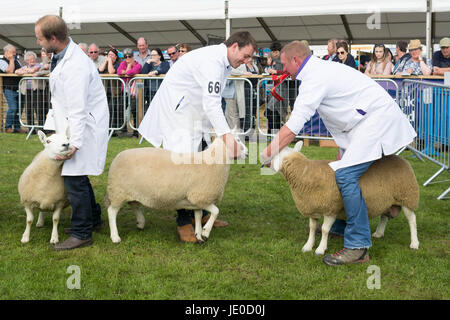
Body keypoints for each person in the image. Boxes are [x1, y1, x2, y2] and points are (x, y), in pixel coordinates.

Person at [261, 41, 416, 266]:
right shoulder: (318, 71)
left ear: (296, 60)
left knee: (344, 175)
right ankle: (342, 225)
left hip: (375, 122)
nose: (283, 69)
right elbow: (343, 109)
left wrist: (266, 154)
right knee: (344, 170)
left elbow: (293, 126)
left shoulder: (314, 78)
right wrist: (344, 149)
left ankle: (358, 246)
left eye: (285, 64)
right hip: (364, 123)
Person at [138, 31, 256, 243]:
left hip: (194, 114)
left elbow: (211, 99)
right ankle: (183, 222)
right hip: (179, 116)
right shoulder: (212, 62)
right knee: (183, 170)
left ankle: (201, 214)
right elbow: (211, 103)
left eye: (250, 58)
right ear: (235, 46)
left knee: (202, 164)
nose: (246, 61)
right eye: (246, 55)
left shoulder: (223, 62)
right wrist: (228, 138)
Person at [34, 15, 109, 251]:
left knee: (74, 180)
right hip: (73, 123)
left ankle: (81, 233)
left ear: (53, 38)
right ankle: (94, 219)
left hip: (83, 126)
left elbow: (78, 108)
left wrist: (74, 143)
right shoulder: (62, 56)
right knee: (81, 176)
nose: (38, 44)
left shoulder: (76, 65)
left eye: (40, 39)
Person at [0, 44, 26, 133]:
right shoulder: (1, 61)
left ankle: (17, 127)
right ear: (6, 52)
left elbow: (22, 69)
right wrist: (11, 60)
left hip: (20, 88)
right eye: (13, 52)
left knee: (19, 109)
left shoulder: (17, 60)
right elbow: (10, 70)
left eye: (15, 52)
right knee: (13, 108)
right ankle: (8, 127)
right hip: (9, 88)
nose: (15, 54)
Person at [15, 51, 41, 128]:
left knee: (39, 109)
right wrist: (24, 71)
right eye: (29, 59)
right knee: (29, 109)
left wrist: (26, 71)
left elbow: (33, 70)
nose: (31, 61)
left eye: (33, 59)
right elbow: (16, 71)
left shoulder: (39, 65)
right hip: (27, 90)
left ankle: (41, 127)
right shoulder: (25, 67)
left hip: (36, 90)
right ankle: (30, 128)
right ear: (26, 61)